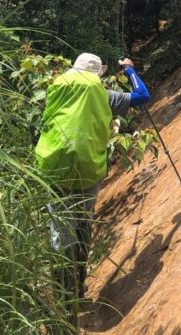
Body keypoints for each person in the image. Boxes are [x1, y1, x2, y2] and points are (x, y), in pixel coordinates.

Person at [35, 53, 150, 302]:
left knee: (60, 229)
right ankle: (78, 288)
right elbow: (143, 96)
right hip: (89, 169)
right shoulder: (105, 96)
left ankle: (62, 298)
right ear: (97, 76)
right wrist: (129, 70)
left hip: (54, 166)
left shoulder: (57, 89)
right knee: (83, 222)